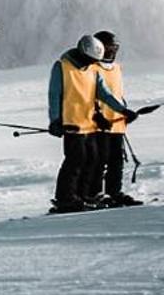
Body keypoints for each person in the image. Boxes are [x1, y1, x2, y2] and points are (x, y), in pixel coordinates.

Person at [46, 32, 136, 213]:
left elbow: (104, 94)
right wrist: (55, 120)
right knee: (75, 161)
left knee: (93, 160)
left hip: (90, 125)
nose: (93, 63)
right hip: (71, 124)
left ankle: (84, 195)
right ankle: (65, 198)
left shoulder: (93, 69)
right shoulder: (62, 67)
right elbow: (54, 95)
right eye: (90, 60)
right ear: (82, 53)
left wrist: (123, 110)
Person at [90, 30, 142, 207]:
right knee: (99, 160)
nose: (112, 51)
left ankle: (114, 192)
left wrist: (125, 112)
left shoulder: (116, 68)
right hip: (97, 124)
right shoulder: (91, 67)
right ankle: (95, 194)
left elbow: (117, 94)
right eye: (108, 47)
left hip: (117, 122)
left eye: (114, 47)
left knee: (116, 160)